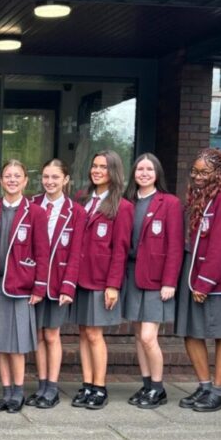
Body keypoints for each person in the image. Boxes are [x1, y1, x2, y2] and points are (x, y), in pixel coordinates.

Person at [175, 147, 221, 412]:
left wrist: (205, 282)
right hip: (192, 276)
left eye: (204, 172)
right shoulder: (196, 197)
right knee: (191, 332)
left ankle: (218, 391)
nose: (198, 176)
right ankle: (204, 386)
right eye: (195, 171)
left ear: (218, 172)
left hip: (218, 281)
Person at [0, 159, 49, 414]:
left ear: (25, 181)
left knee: (18, 344)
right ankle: (6, 391)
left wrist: (39, 287)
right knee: (0, 343)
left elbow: (42, 252)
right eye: (8, 176)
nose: (12, 180)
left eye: (17, 176)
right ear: (1, 181)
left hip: (21, 285)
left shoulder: (35, 212)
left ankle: (18, 393)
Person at [72, 150, 133, 409]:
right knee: (83, 332)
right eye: (94, 166)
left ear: (113, 171)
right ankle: (87, 384)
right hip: (79, 277)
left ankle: (100, 387)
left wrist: (112, 285)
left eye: (103, 167)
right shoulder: (82, 198)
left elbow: (120, 250)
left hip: (101, 279)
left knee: (95, 334)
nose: (97, 171)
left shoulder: (122, 206)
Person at [122, 153, 184, 408]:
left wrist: (170, 281)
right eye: (140, 169)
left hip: (157, 279)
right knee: (138, 334)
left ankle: (158, 388)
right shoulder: (128, 201)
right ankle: (146, 384)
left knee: (149, 336)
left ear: (157, 173)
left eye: (149, 169)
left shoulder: (169, 203)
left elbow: (175, 246)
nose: (144, 173)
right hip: (132, 276)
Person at [29, 159, 85, 409]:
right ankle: (41, 385)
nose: (49, 182)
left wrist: (68, 285)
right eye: (46, 177)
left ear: (66, 180)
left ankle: (52, 387)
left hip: (58, 282)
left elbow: (76, 252)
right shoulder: (31, 204)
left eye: (55, 177)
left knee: (52, 334)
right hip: (34, 283)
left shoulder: (76, 211)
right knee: (38, 335)